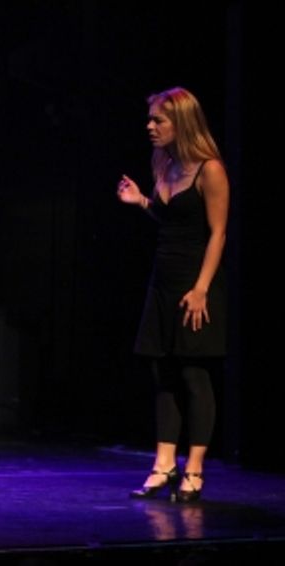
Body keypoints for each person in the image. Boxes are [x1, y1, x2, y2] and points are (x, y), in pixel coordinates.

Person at [118, 87, 229, 503]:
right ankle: (163, 465)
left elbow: (218, 233)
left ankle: (195, 469)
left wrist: (201, 289)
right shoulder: (162, 161)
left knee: (193, 374)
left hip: (195, 283)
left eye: (158, 120)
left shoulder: (209, 169)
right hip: (162, 281)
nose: (150, 126)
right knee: (161, 372)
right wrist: (142, 201)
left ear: (181, 122)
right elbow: (167, 221)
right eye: (149, 119)